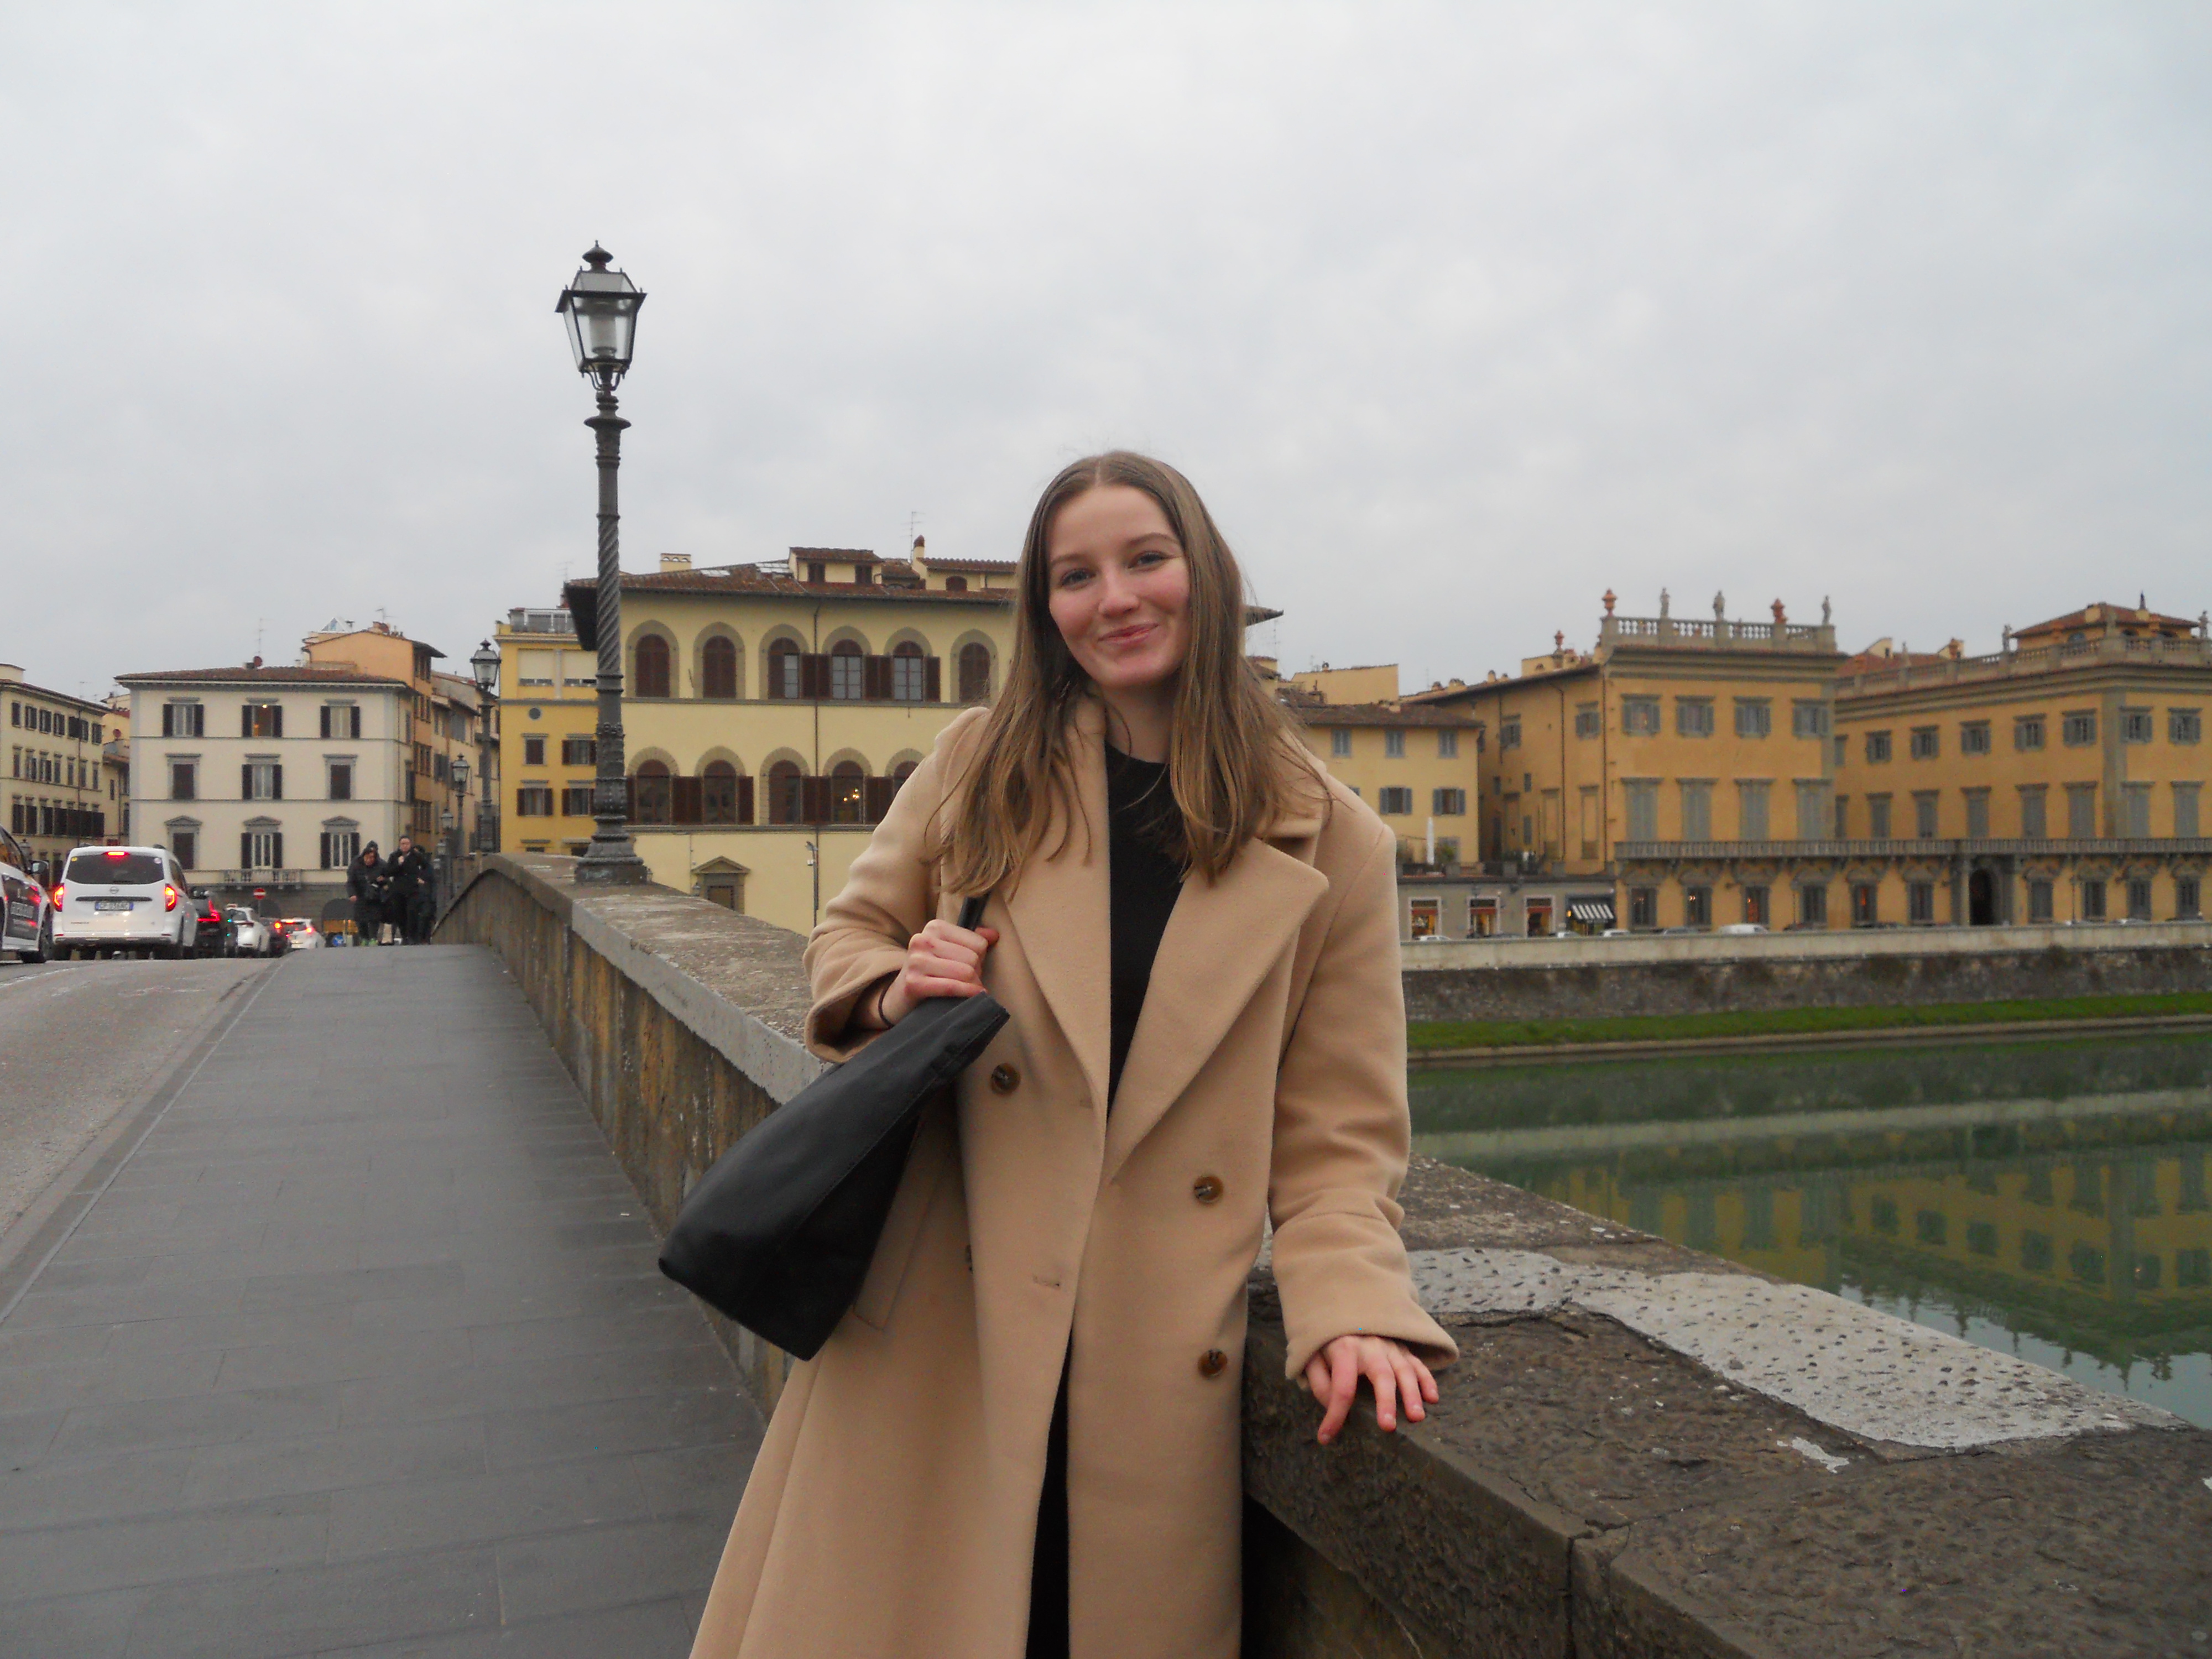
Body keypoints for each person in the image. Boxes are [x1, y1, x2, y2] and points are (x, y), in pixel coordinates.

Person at [690, 453, 1454, 1659]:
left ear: (1204, 575)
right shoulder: (981, 763)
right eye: (1074, 576)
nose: (1115, 599)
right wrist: (900, 981)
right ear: (1045, 611)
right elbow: (845, 939)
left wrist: (1352, 1306)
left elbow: (1336, 1141)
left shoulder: (1333, 843)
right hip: (950, 1315)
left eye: (1145, 560)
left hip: (1151, 1354)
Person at [385, 835, 429, 945]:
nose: (405, 846)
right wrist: (398, 864)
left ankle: (412, 936)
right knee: (400, 913)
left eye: (407, 844)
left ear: (410, 845)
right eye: (402, 844)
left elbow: (426, 867)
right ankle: (405, 935)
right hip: (398, 890)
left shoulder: (416, 856)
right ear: (399, 845)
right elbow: (388, 872)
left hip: (412, 889)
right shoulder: (394, 856)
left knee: (412, 912)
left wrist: (422, 878)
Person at [346, 843, 388, 946]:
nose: (369, 860)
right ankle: (364, 938)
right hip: (360, 894)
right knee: (360, 919)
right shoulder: (356, 865)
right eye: (367, 858)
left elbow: (389, 878)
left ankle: (373, 938)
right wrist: (352, 894)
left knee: (374, 918)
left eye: (372, 858)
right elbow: (351, 882)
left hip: (375, 896)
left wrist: (384, 882)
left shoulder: (382, 865)